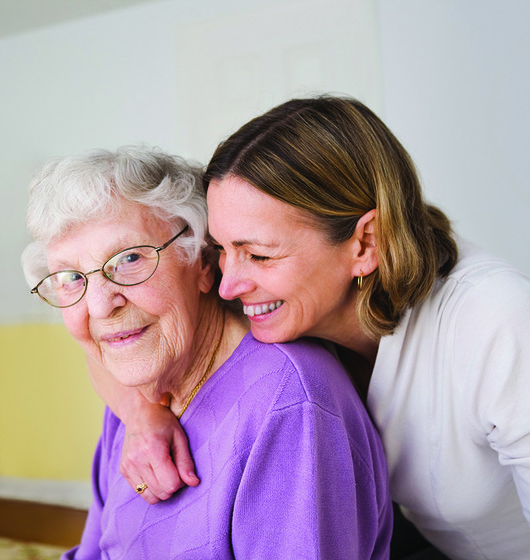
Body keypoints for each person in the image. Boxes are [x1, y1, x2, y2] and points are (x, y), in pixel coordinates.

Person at [98, 97, 530, 560]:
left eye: (259, 254)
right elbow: (95, 333)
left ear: (366, 243)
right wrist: (142, 412)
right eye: (222, 249)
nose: (229, 286)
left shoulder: (494, 319)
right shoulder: (277, 304)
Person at [21, 146, 392, 559]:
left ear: (202, 261)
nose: (100, 306)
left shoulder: (289, 405)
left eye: (128, 258)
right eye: (70, 277)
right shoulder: (140, 387)